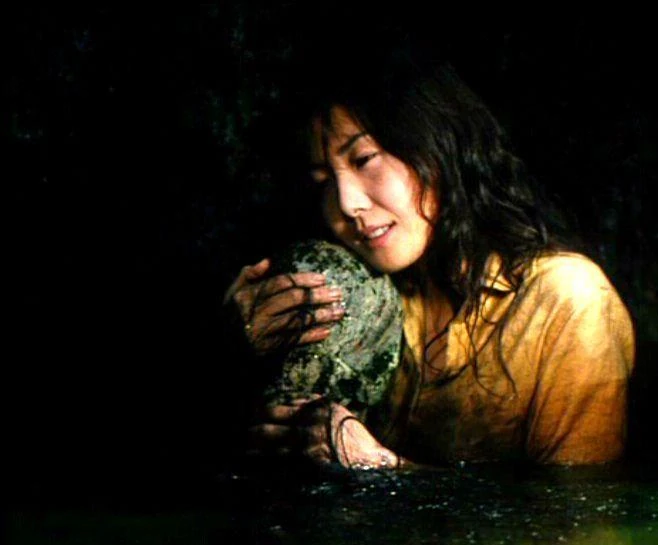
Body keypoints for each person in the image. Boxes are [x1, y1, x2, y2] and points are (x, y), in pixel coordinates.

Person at [225, 50, 635, 469]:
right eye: (324, 181)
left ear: (439, 147)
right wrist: (234, 350)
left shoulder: (571, 302)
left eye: (364, 159)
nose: (347, 204)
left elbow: (580, 505)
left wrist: (381, 466)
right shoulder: (359, 294)